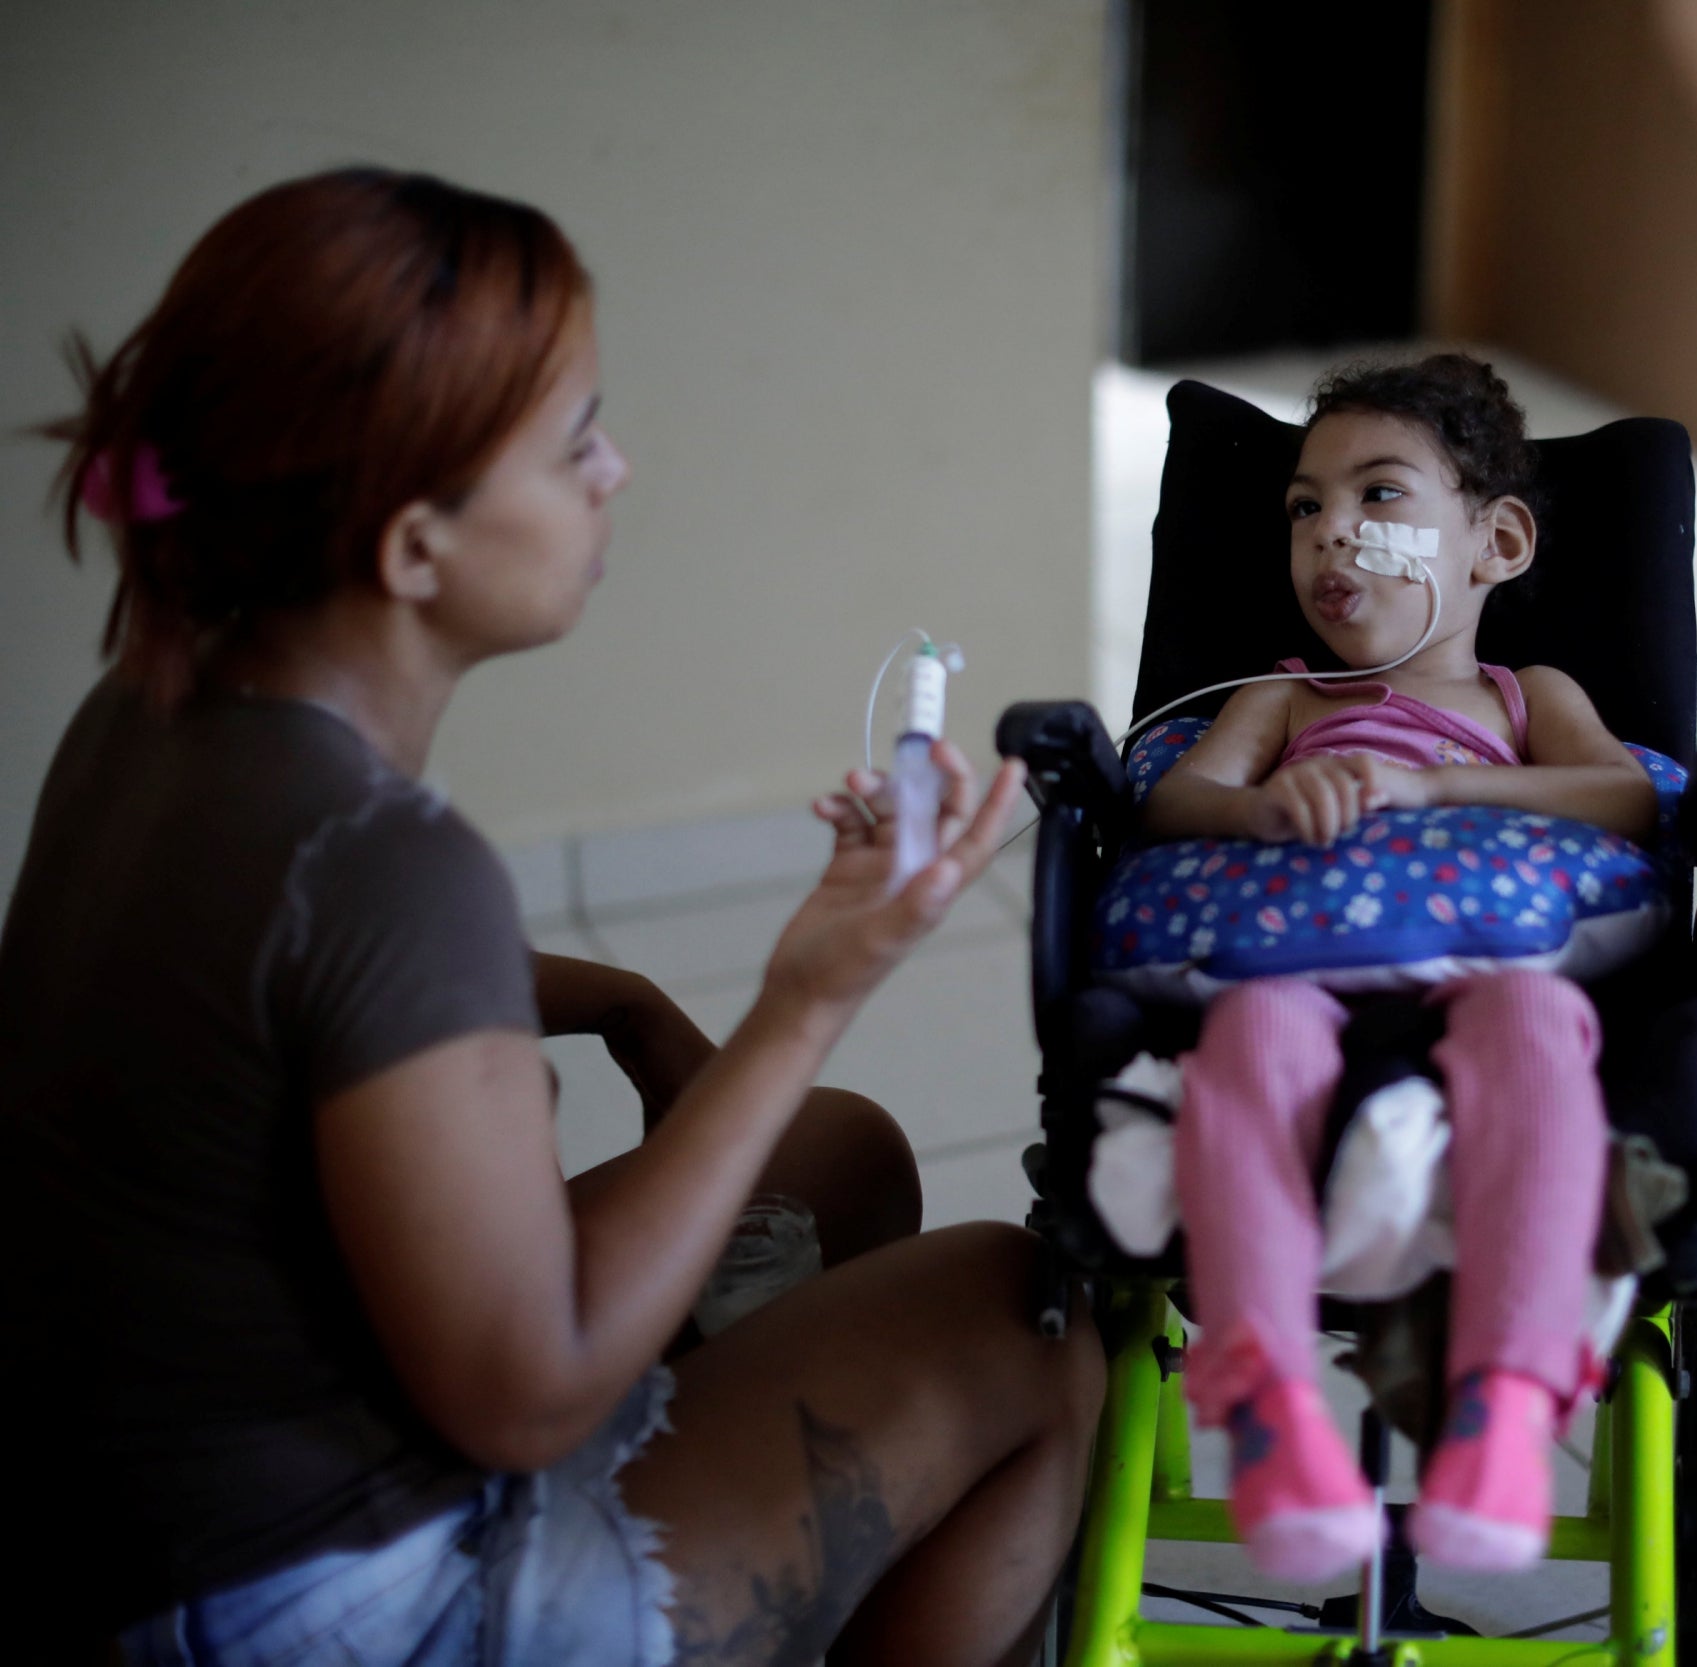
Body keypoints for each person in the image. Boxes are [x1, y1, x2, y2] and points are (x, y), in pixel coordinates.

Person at [0, 167, 1100, 1667]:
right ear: (412, 546)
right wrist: (806, 996)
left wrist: (627, 1003)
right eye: (573, 440)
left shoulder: (152, 707)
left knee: (836, 1156)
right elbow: (531, 1393)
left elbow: (301, 992)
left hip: (142, 1516)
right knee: (1020, 1312)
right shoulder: (389, 856)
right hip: (312, 1603)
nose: (617, 470)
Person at [1139, 354, 1658, 1579]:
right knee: (1251, 1035)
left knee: (1535, 1020)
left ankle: (1506, 1407)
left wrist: (1436, 784)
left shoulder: (1523, 694)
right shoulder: (1284, 698)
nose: (1333, 534)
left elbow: (1626, 796)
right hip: (1299, 956)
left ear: (1497, 542)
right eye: (1304, 507)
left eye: (1379, 497)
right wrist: (1263, 812)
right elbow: (1176, 803)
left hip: (1492, 959)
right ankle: (1264, 1401)